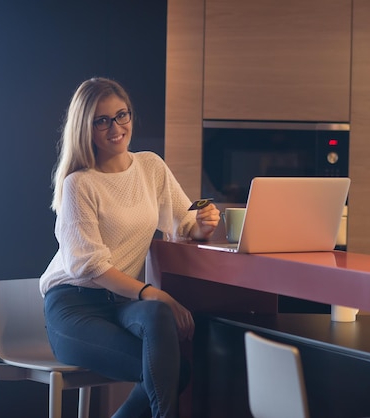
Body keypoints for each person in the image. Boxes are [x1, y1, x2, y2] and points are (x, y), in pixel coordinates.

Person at [39, 77, 220, 418]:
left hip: (121, 304)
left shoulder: (150, 166)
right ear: (85, 127)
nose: (116, 127)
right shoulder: (79, 184)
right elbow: (89, 266)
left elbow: (183, 222)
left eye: (122, 115)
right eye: (102, 120)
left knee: (162, 335)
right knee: (172, 371)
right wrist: (155, 292)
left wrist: (203, 224)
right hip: (73, 308)